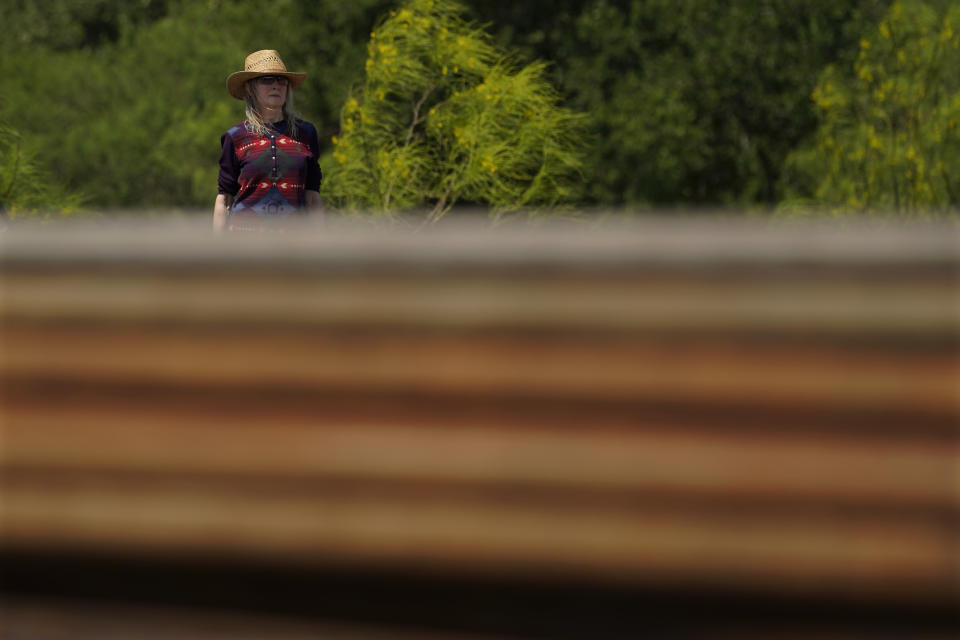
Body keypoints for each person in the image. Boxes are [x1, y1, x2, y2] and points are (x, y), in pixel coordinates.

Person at [214, 49, 323, 232]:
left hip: (295, 243)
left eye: (281, 80)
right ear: (249, 87)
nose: (276, 85)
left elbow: (313, 196)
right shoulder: (235, 136)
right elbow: (224, 198)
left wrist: (322, 245)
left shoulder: (306, 133)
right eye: (267, 80)